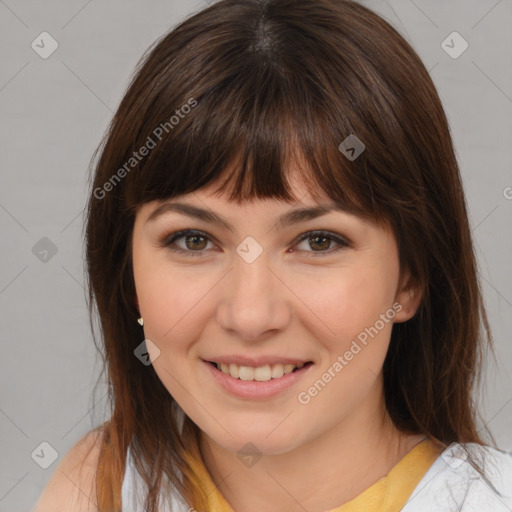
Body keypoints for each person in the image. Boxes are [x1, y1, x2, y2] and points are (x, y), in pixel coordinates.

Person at [34, 0, 512, 511]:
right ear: (127, 271)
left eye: (318, 241)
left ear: (410, 278)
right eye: (193, 240)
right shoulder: (100, 486)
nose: (250, 315)